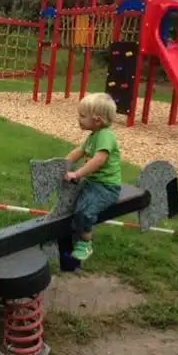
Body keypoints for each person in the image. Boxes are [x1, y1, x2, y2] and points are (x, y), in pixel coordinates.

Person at [64, 93, 122, 261]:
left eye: (82, 116)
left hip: (106, 187)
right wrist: (63, 164)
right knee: (70, 201)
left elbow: (98, 161)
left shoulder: (105, 136)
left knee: (85, 211)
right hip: (93, 182)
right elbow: (78, 152)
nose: (78, 119)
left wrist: (76, 173)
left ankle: (85, 243)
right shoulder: (92, 136)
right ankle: (72, 231)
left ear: (97, 120)